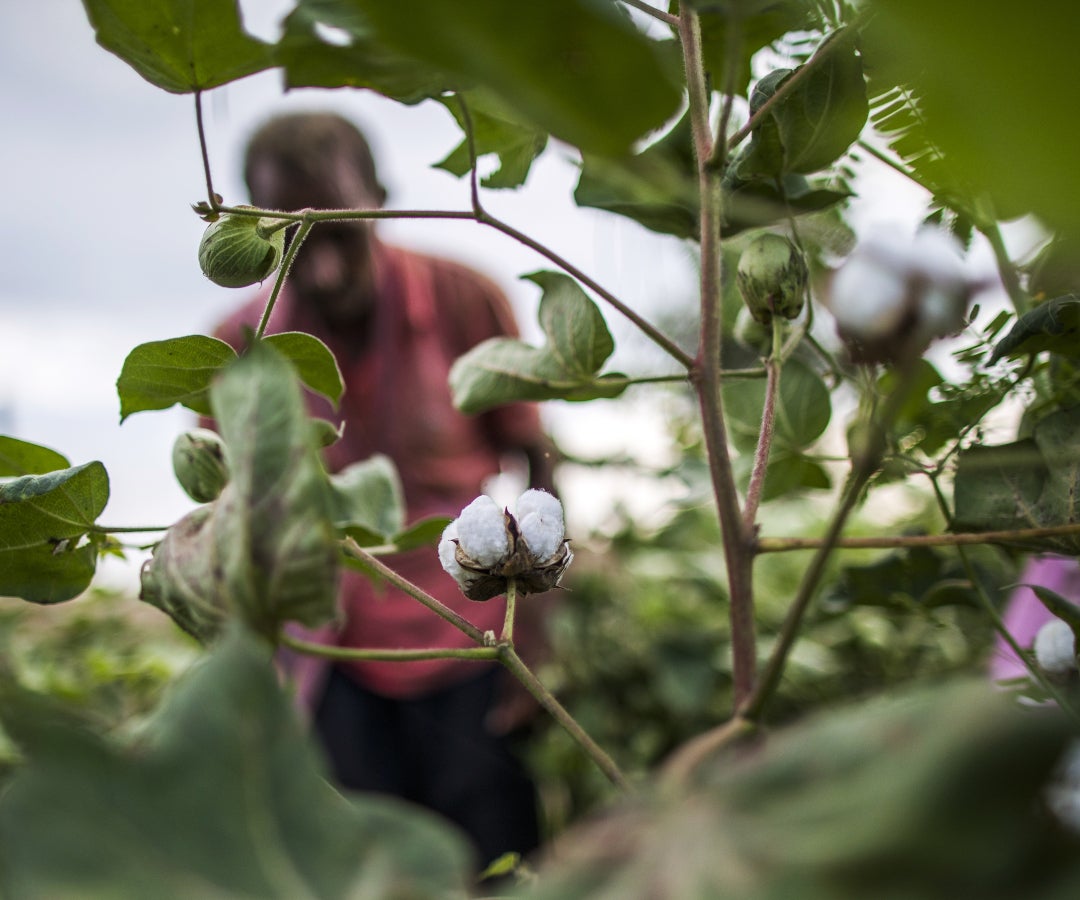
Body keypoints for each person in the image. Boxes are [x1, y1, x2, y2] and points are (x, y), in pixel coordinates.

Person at [210, 111, 556, 868]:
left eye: (338, 233)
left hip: (471, 639)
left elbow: (538, 462)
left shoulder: (466, 297)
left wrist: (535, 632)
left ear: (379, 201)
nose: (324, 269)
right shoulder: (237, 349)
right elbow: (234, 516)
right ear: (261, 234)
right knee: (372, 872)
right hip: (331, 656)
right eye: (296, 243)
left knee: (496, 861)